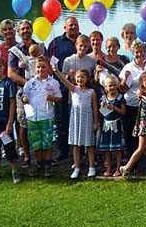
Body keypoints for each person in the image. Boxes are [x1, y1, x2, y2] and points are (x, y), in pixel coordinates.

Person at [7, 19, 45, 167]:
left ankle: (42, 156)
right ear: (18, 32)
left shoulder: (41, 48)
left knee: (41, 123)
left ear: (32, 30)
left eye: (28, 28)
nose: (25, 31)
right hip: (24, 95)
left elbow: (46, 66)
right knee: (24, 124)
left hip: (41, 94)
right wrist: (28, 84)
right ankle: (27, 156)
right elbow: (11, 74)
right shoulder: (15, 52)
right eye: (22, 29)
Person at [21, 56, 62, 177]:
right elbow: (24, 96)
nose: (41, 69)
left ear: (48, 68)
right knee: (36, 142)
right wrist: (24, 99)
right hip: (32, 117)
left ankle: (48, 164)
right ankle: (39, 164)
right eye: (38, 67)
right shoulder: (30, 83)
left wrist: (51, 98)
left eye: (43, 67)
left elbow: (59, 98)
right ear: (35, 68)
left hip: (46, 116)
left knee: (47, 141)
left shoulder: (53, 82)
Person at [53, 68, 98, 179]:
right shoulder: (73, 89)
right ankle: (77, 167)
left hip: (88, 119)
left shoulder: (91, 92)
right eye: (78, 77)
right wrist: (57, 71)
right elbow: (64, 80)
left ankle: (91, 166)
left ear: (87, 79)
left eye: (82, 77)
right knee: (76, 145)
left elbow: (95, 108)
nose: (80, 79)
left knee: (90, 144)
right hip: (76, 120)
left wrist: (96, 122)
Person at [49, 17, 81, 161]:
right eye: (70, 25)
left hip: (81, 90)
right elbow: (50, 66)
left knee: (79, 119)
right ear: (65, 27)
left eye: (75, 25)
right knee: (62, 119)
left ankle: (81, 151)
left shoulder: (83, 41)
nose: (73, 27)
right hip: (61, 88)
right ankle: (62, 150)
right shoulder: (56, 43)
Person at [120, 71, 146, 177]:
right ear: (141, 82)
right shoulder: (140, 92)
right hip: (144, 123)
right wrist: (143, 94)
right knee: (142, 147)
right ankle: (128, 167)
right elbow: (139, 95)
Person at [119, 40, 146, 158]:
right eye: (136, 52)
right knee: (131, 134)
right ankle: (132, 162)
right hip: (132, 104)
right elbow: (122, 89)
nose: (139, 54)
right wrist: (125, 79)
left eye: (141, 51)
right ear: (132, 52)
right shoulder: (127, 67)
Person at [98, 75, 126, 177]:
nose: (112, 88)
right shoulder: (103, 98)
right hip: (106, 125)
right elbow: (102, 113)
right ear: (105, 87)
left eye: (114, 85)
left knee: (118, 148)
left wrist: (114, 107)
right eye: (110, 86)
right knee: (107, 148)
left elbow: (123, 112)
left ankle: (118, 168)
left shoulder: (120, 97)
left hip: (117, 124)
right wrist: (102, 107)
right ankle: (108, 167)